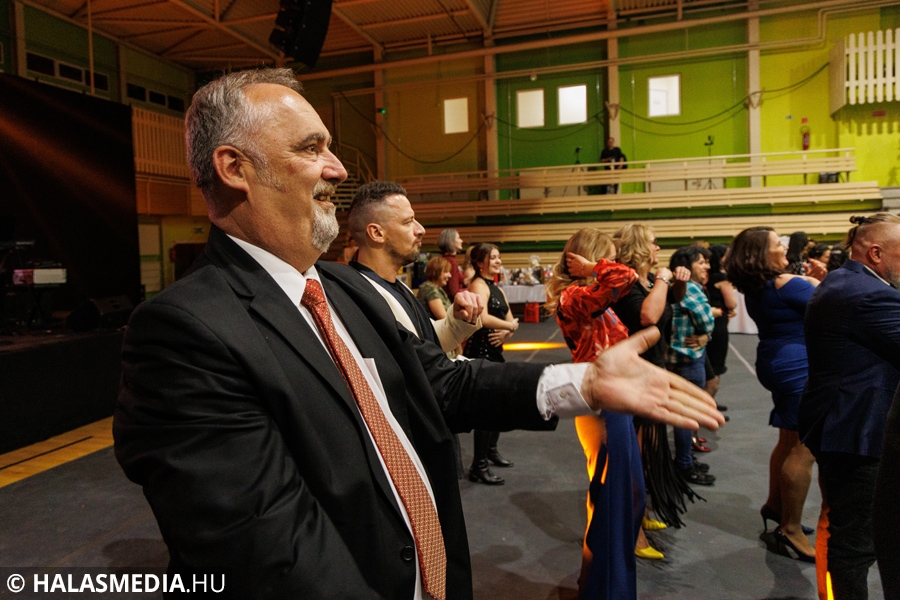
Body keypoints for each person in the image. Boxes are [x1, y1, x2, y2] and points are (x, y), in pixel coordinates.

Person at [113, 68, 723, 600]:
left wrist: (583, 382)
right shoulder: (184, 331)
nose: (337, 168)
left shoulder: (342, 287)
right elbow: (269, 554)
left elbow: (439, 383)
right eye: (311, 148)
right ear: (234, 167)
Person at [800, 213, 900, 600]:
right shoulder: (869, 294)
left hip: (847, 424)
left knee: (850, 533)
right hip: (859, 432)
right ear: (876, 253)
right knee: (856, 543)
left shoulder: (848, 280)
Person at [546, 228, 642, 598]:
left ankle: (596, 585)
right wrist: (593, 268)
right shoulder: (575, 296)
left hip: (616, 401)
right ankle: (605, 591)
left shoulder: (588, 297)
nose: (611, 264)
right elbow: (625, 277)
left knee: (626, 499)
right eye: (606, 257)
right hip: (601, 404)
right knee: (614, 504)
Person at [726, 227, 820, 564]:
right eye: (778, 243)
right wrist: (817, 281)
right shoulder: (788, 284)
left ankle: (776, 506)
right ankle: (790, 530)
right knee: (804, 449)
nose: (785, 247)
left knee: (788, 439)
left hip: (776, 360)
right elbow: (837, 305)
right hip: (798, 366)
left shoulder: (759, 286)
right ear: (762, 255)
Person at [611, 224, 701, 535]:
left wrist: (677, 285)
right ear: (638, 246)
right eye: (653, 242)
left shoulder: (647, 280)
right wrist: (663, 279)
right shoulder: (626, 283)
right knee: (636, 454)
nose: (658, 248)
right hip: (633, 375)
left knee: (649, 451)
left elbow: (669, 304)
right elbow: (648, 317)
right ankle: (631, 526)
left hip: (652, 369)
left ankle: (641, 511)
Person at [346, 180, 480, 357]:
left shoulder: (396, 286)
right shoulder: (362, 298)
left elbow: (426, 340)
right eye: (408, 222)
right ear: (377, 233)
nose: (421, 229)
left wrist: (458, 319)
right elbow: (417, 362)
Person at [463, 242, 519, 485]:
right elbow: (483, 318)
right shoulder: (478, 284)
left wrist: (508, 331)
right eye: (493, 258)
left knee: (497, 407)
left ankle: (491, 452)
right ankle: (479, 465)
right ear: (479, 262)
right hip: (480, 353)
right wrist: (510, 326)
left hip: (495, 352)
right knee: (486, 410)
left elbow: (510, 319)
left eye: (498, 257)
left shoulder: (496, 287)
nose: (498, 261)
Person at [667, 245, 717, 486]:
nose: (707, 266)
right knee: (686, 416)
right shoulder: (690, 289)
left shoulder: (679, 287)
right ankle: (684, 465)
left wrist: (706, 335)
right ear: (687, 266)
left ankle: (685, 460)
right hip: (687, 360)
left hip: (680, 359)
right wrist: (707, 333)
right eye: (701, 262)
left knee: (684, 415)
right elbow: (707, 322)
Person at [704, 244, 737, 400]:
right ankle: (709, 401)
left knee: (708, 364)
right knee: (716, 366)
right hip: (718, 323)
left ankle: (708, 401)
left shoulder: (707, 277)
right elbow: (732, 303)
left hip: (708, 321)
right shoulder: (721, 278)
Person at [437, 229, 465, 300]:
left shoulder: (442, 259)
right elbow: (454, 291)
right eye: (458, 238)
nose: (461, 241)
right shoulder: (451, 263)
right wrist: (472, 289)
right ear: (451, 242)